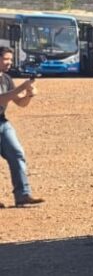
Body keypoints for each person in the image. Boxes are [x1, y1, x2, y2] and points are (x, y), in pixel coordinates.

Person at [0, 47, 43, 208]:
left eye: (10, 59)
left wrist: (29, 94)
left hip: (3, 123)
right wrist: (22, 87)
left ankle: (23, 195)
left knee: (17, 153)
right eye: (6, 59)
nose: (9, 63)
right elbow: (1, 99)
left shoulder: (6, 79)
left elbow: (20, 103)